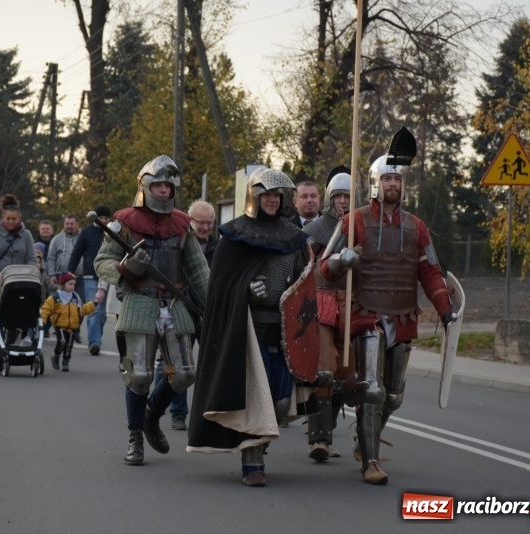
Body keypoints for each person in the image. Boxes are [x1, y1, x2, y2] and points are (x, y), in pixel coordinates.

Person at [320, 153, 454, 485]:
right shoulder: (354, 221)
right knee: (372, 390)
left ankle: (363, 441)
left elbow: (431, 272)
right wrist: (342, 259)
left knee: (393, 396)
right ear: (375, 184)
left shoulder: (417, 227)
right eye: (387, 179)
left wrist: (446, 310)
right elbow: (324, 268)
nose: (393, 184)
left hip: (403, 314)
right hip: (367, 314)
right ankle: (371, 461)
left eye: (398, 179)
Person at [187, 167, 309, 488]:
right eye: (266, 194)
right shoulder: (235, 235)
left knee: (281, 402)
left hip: (282, 328)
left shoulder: (293, 237)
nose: (271, 200)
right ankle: (252, 462)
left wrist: (298, 291)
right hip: (249, 330)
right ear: (254, 196)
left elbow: (305, 279)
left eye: (276, 195)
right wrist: (245, 291)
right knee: (257, 398)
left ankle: (257, 442)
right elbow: (222, 285)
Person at [95, 155, 209, 466]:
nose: (163, 190)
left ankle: (151, 416)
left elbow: (199, 271)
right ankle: (135, 438)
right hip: (139, 302)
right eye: (157, 184)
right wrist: (126, 267)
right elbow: (101, 262)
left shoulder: (183, 224)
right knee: (140, 376)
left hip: (174, 304)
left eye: (167, 185)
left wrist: (215, 302)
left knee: (185, 374)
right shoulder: (124, 222)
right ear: (146, 186)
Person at [301, 169, 354, 461]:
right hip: (322, 301)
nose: (343, 202)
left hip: (352, 304)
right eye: (339, 196)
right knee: (324, 371)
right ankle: (317, 440)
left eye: (348, 196)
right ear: (329, 199)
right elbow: (301, 268)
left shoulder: (362, 226)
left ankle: (328, 432)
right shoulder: (315, 230)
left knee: (347, 377)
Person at [155, 200, 219, 431]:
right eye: (201, 222)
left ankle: (210, 413)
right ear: (189, 221)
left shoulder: (219, 247)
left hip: (208, 313)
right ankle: (176, 412)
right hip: (179, 310)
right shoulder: (175, 244)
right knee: (175, 364)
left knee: (214, 363)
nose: (205, 227)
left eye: (209, 223)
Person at [0, 193, 36, 368]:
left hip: (19, 281)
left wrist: (29, 273)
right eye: (8, 219)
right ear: (3, 218)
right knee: (0, 317)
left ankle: (6, 346)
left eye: (14, 219)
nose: (11, 222)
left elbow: (31, 258)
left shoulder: (26, 235)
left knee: (16, 317)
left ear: (19, 218)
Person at [68, 205, 110, 355]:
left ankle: (96, 337)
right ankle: (94, 342)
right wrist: (69, 273)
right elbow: (76, 253)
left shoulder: (111, 233)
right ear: (96, 217)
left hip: (109, 276)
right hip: (90, 275)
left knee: (103, 314)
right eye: (101, 218)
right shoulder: (86, 232)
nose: (103, 221)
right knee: (94, 310)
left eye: (106, 218)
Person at [40, 271, 97, 372]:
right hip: (60, 325)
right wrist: (42, 319)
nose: (72, 287)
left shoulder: (76, 298)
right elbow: (46, 309)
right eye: (70, 284)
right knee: (62, 341)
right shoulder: (55, 297)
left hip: (72, 326)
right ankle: (56, 355)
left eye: (74, 284)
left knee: (69, 345)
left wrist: (94, 304)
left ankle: (66, 361)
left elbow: (82, 310)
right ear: (62, 284)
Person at [46, 214, 82, 341]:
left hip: (79, 277)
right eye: (67, 224)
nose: (69, 226)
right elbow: (50, 258)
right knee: (60, 305)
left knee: (77, 306)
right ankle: (57, 329)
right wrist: (51, 275)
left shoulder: (82, 237)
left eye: (72, 224)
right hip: (61, 277)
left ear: (77, 224)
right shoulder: (56, 239)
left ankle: (76, 330)